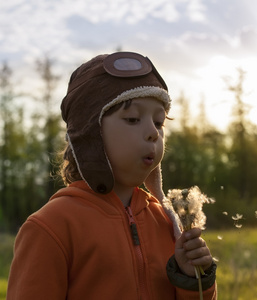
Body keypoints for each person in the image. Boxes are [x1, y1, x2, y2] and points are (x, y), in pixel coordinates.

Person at [7, 51, 217, 299]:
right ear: (89, 135)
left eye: (159, 122)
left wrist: (192, 280)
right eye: (132, 119)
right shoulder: (51, 227)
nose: (153, 132)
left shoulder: (168, 224)